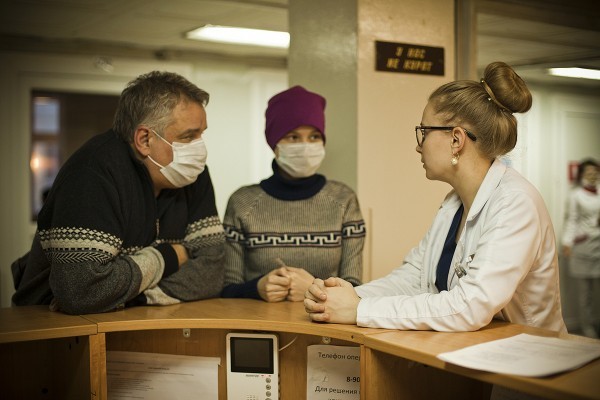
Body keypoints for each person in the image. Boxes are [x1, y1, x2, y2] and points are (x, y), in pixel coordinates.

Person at [304, 62, 567, 333]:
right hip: (475, 349)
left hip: (528, 353)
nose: (418, 147)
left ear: (456, 140)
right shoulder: (454, 204)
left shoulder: (515, 203)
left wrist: (359, 309)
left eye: (424, 132)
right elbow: (415, 278)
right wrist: (344, 296)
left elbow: (469, 307)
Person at [11, 71, 225, 314]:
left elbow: (213, 272)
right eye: (188, 136)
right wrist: (166, 258)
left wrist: (132, 297)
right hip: (49, 325)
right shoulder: (92, 173)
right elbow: (82, 290)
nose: (200, 149)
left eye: (201, 134)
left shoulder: (194, 175)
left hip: (137, 316)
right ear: (144, 139)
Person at [221, 85, 365, 302]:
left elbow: (354, 288)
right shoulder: (242, 202)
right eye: (293, 137)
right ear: (275, 144)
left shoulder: (343, 200)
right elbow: (226, 289)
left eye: (314, 136)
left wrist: (313, 289)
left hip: (324, 320)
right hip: (256, 320)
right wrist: (257, 288)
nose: (305, 146)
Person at [562, 159, 600, 338]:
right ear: (582, 174)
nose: (592, 175)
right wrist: (567, 242)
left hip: (598, 245)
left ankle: (595, 322)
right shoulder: (576, 195)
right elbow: (571, 219)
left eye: (595, 171)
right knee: (586, 293)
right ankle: (587, 327)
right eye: (588, 172)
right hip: (583, 246)